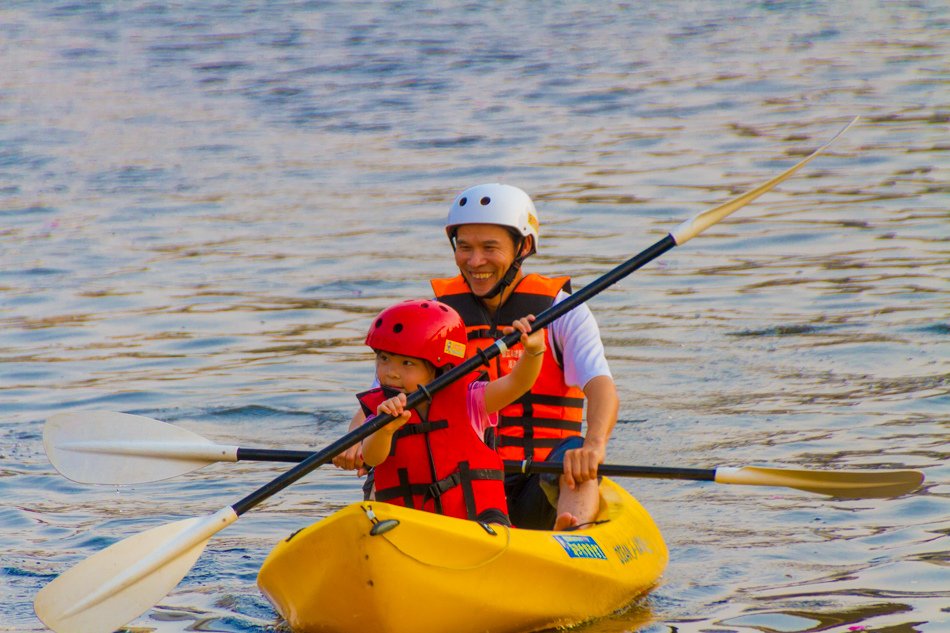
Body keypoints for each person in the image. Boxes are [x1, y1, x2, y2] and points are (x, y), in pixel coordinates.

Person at [335, 183, 618, 532]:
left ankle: (574, 534)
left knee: (575, 459)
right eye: (464, 247)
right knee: (395, 461)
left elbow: (600, 384)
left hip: (536, 479)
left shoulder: (563, 311)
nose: (475, 261)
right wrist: (354, 441)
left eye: (489, 248)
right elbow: (380, 397)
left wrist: (594, 445)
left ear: (523, 246)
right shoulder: (432, 317)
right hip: (456, 480)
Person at [357, 298, 546, 525]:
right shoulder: (382, 409)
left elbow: (518, 383)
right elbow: (372, 457)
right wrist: (384, 430)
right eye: (384, 358)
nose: (391, 373)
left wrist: (534, 350)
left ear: (439, 367)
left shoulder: (471, 398)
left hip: (477, 526)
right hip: (405, 527)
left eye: (407, 363)